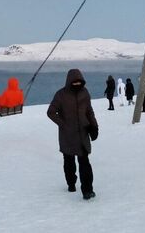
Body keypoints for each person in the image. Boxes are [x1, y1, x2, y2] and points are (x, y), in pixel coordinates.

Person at [47, 69, 98, 200]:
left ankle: (87, 190)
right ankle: (71, 183)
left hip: (82, 133)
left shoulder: (84, 93)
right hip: (67, 135)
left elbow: (89, 111)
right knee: (69, 161)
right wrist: (63, 124)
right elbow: (51, 112)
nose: (76, 85)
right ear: (69, 82)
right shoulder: (61, 95)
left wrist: (94, 126)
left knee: (84, 162)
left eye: (79, 82)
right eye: (74, 83)